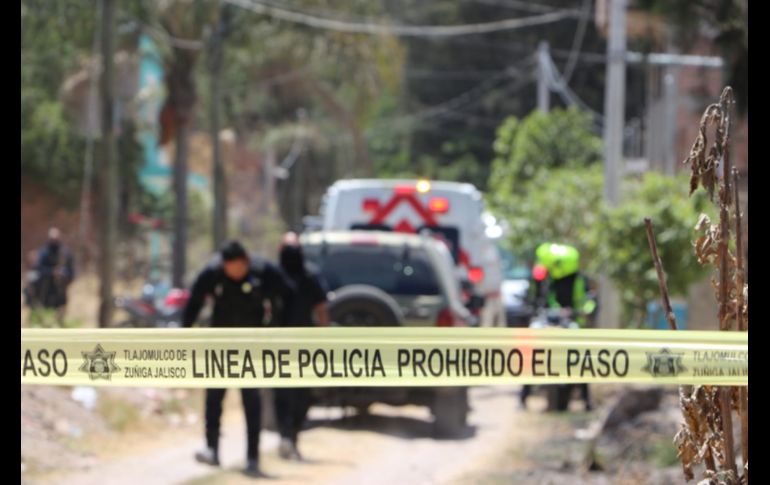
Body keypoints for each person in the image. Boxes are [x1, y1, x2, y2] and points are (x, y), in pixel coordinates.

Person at [182, 241, 295, 476]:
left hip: (251, 348)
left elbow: (290, 297)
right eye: (228, 268)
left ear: (245, 262)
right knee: (214, 398)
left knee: (251, 403)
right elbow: (193, 303)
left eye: (236, 267)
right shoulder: (213, 273)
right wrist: (185, 333)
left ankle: (253, 458)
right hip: (219, 347)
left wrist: (278, 331)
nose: (232, 272)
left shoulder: (264, 272)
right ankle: (212, 449)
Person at [274, 232, 329, 461]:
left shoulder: (309, 276)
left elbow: (321, 309)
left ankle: (292, 435)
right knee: (282, 394)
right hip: (278, 345)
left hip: (304, 346)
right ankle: (286, 436)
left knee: (301, 396)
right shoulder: (274, 276)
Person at [521, 243, 592, 410]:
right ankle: (523, 396)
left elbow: (587, 300)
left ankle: (586, 399)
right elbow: (534, 297)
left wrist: (581, 311)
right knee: (530, 350)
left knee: (581, 355)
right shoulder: (543, 277)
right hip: (546, 321)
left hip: (570, 323)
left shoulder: (578, 279)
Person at [30, 228, 75, 325]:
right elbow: (38, 269)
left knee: (60, 317)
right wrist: (51, 272)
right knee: (43, 318)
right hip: (45, 290)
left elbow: (72, 272)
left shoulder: (65, 253)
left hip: (60, 291)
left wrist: (63, 274)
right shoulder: (43, 252)